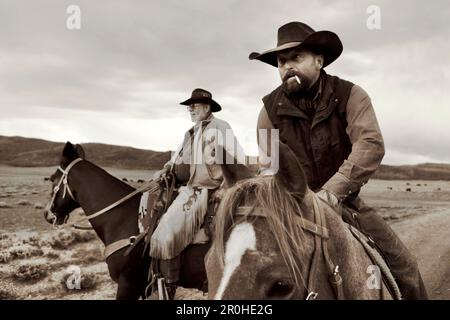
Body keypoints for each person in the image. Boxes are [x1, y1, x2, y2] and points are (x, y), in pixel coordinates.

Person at [250, 21, 428, 299]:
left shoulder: (350, 96)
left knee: (405, 270)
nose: (287, 66)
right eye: (282, 61)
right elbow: (268, 166)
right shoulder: (268, 111)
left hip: (346, 203)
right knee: (247, 271)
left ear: (319, 60)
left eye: (297, 57)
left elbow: (369, 145)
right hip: (291, 211)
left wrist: (331, 194)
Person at [147, 88, 245, 284]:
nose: (190, 109)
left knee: (166, 232)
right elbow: (177, 157)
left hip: (208, 189)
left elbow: (236, 158)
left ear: (207, 107)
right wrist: (166, 169)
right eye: (188, 107)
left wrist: (225, 186)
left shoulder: (220, 127)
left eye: (194, 106)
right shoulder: (190, 132)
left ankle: (170, 280)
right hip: (191, 188)